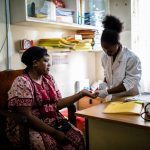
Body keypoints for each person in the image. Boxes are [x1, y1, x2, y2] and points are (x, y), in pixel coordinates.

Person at [6, 46, 96, 150]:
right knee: (45, 145)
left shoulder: (48, 78)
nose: (50, 64)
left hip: (53, 121)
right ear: (35, 63)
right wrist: (54, 132)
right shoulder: (22, 82)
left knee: (78, 136)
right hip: (28, 126)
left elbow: (57, 104)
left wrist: (80, 94)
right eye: (45, 61)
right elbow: (27, 115)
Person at [96, 15, 142, 101]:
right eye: (104, 49)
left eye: (109, 50)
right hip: (114, 100)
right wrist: (104, 84)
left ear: (117, 44)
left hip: (130, 100)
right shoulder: (104, 57)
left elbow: (128, 83)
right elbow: (108, 74)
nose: (107, 52)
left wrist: (107, 92)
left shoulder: (132, 58)